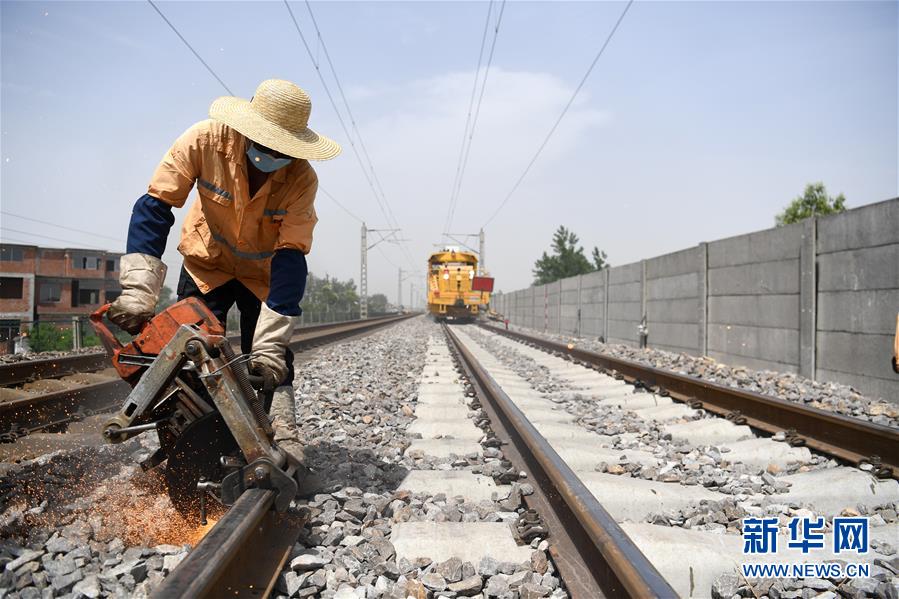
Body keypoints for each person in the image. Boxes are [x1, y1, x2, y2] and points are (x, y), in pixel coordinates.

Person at [108, 79, 340, 468]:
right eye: (264, 144)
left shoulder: (301, 178)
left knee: (270, 365)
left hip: (263, 275)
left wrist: (270, 348)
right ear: (247, 129)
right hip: (206, 265)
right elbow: (155, 206)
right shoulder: (203, 140)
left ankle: (282, 433)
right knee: (184, 354)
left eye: (281, 149)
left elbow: (291, 258)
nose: (270, 155)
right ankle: (182, 442)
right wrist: (139, 290)